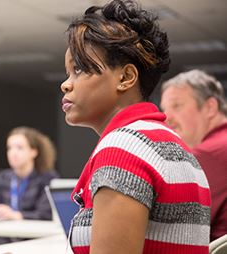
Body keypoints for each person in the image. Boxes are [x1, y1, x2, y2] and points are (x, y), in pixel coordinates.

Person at [59, 0, 210, 253]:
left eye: (79, 69)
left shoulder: (122, 149)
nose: (66, 84)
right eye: (68, 73)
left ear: (126, 78)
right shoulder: (172, 144)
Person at [160, 69, 227, 241]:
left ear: (210, 107)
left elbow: (170, 228)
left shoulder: (207, 154)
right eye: (164, 109)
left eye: (177, 106)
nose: (166, 117)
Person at [0, 126, 59, 221]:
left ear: (34, 152)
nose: (13, 153)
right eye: (9, 148)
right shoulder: (3, 177)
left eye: (19, 148)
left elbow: (45, 214)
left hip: (33, 233)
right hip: (5, 232)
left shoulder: (47, 178)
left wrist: (16, 216)